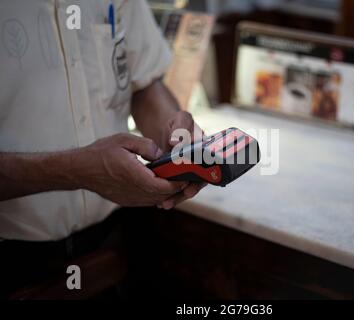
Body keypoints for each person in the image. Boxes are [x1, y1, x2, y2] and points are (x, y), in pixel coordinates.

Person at [0, 0, 204, 297]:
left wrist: (177, 141)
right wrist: (77, 172)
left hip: (111, 244)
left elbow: (143, 85)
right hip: (12, 265)